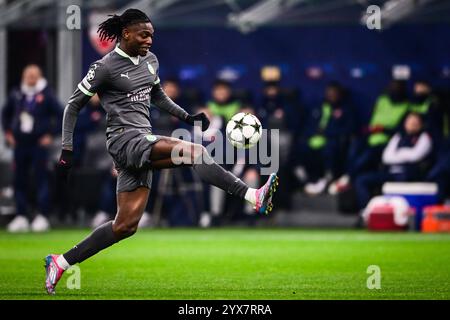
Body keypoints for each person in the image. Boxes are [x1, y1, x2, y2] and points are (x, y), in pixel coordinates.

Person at [44, 9, 278, 294]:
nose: (149, 40)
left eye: (152, 35)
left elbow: (158, 96)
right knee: (195, 152)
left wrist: (188, 117)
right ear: (126, 33)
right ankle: (253, 195)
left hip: (141, 143)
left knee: (125, 226)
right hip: (125, 140)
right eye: (144, 35)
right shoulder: (104, 66)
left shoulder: (150, 61)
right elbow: (73, 105)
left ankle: (61, 261)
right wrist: (66, 149)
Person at [1, 64, 62, 232]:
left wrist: (50, 134)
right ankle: (21, 215)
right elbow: (5, 114)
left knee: (41, 179)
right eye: (28, 75)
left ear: (39, 76)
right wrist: (8, 133)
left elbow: (61, 115)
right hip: (20, 144)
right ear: (23, 76)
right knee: (19, 180)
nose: (31, 78)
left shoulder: (47, 95)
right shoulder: (17, 94)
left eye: (34, 75)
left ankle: (42, 215)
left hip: (38, 145)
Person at [354, 112, 433, 210]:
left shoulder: (424, 137)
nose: (412, 123)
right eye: (410, 120)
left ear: (421, 124)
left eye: (415, 121)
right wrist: (405, 155)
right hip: (391, 173)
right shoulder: (398, 136)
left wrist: (398, 154)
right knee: (362, 180)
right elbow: (386, 157)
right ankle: (366, 212)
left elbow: (415, 156)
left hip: (410, 174)